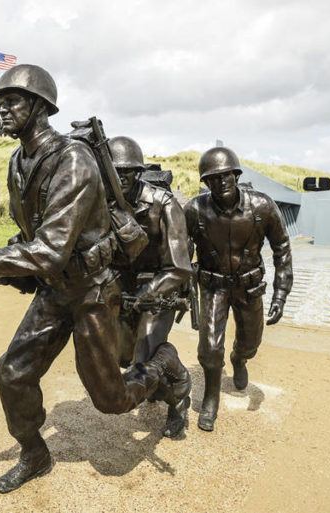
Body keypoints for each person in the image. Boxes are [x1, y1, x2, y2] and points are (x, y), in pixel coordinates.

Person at [0, 64, 189, 493]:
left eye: (12, 100)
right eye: (0, 101)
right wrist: (6, 266)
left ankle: (162, 363)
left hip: (91, 291)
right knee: (12, 373)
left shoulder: (73, 160)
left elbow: (51, 247)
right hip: (55, 290)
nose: (3, 108)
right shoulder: (18, 161)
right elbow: (30, 234)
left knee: (111, 401)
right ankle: (34, 454)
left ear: (39, 106)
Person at [184, 147, 293, 432]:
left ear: (236, 175)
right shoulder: (195, 209)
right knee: (209, 349)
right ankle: (210, 398)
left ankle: (239, 358)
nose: (221, 183)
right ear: (206, 182)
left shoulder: (262, 206)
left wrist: (281, 293)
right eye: (213, 178)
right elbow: (181, 249)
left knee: (250, 342)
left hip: (249, 286)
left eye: (226, 176)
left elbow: (282, 248)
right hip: (213, 286)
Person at [108, 135, 193, 438]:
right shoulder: (105, 203)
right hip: (122, 289)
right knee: (123, 358)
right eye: (114, 172)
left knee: (143, 362)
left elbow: (179, 266)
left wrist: (150, 292)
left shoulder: (163, 203)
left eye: (127, 171)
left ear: (139, 171)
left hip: (159, 286)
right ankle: (163, 379)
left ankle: (180, 392)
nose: (121, 178)